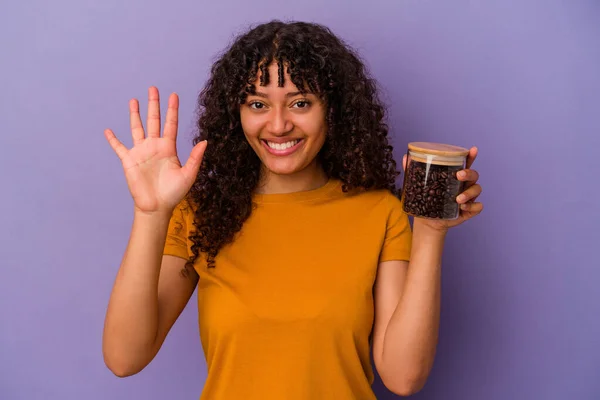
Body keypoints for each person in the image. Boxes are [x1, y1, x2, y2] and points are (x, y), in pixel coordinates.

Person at [101, 20, 483, 400]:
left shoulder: (380, 212)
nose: (279, 125)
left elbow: (403, 377)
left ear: (333, 109)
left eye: (300, 103)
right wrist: (151, 215)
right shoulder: (201, 214)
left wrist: (431, 232)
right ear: (237, 114)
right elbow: (124, 358)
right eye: (258, 104)